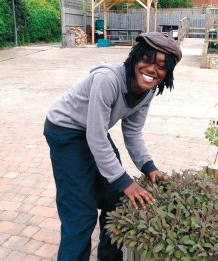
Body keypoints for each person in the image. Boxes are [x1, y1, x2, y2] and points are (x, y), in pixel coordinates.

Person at [43, 32, 182, 261]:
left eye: (161, 66)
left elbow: (133, 133)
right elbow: (96, 136)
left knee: (117, 199)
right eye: (146, 60)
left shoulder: (147, 92)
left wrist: (149, 167)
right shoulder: (107, 80)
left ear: (167, 73)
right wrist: (124, 181)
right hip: (65, 131)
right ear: (134, 59)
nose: (151, 70)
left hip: (92, 131)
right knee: (80, 213)